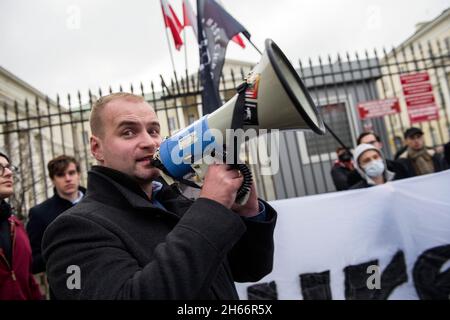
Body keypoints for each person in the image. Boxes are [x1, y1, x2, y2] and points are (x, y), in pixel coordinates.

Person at [42, 92, 277, 300]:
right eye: (128, 132)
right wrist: (211, 209)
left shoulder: (178, 202)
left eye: (153, 130)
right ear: (96, 148)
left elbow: (251, 268)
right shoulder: (73, 229)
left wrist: (249, 213)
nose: (149, 142)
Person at [26, 155, 85, 275]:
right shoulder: (39, 213)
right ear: (53, 180)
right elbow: (32, 262)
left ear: (78, 174)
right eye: (61, 175)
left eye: (71, 173)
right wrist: (59, 252)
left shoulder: (99, 201)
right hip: (66, 284)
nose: (68, 179)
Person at [0, 150, 43, 300]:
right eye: (0, 168)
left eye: (8, 167)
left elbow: (28, 279)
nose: (9, 173)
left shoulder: (16, 225)